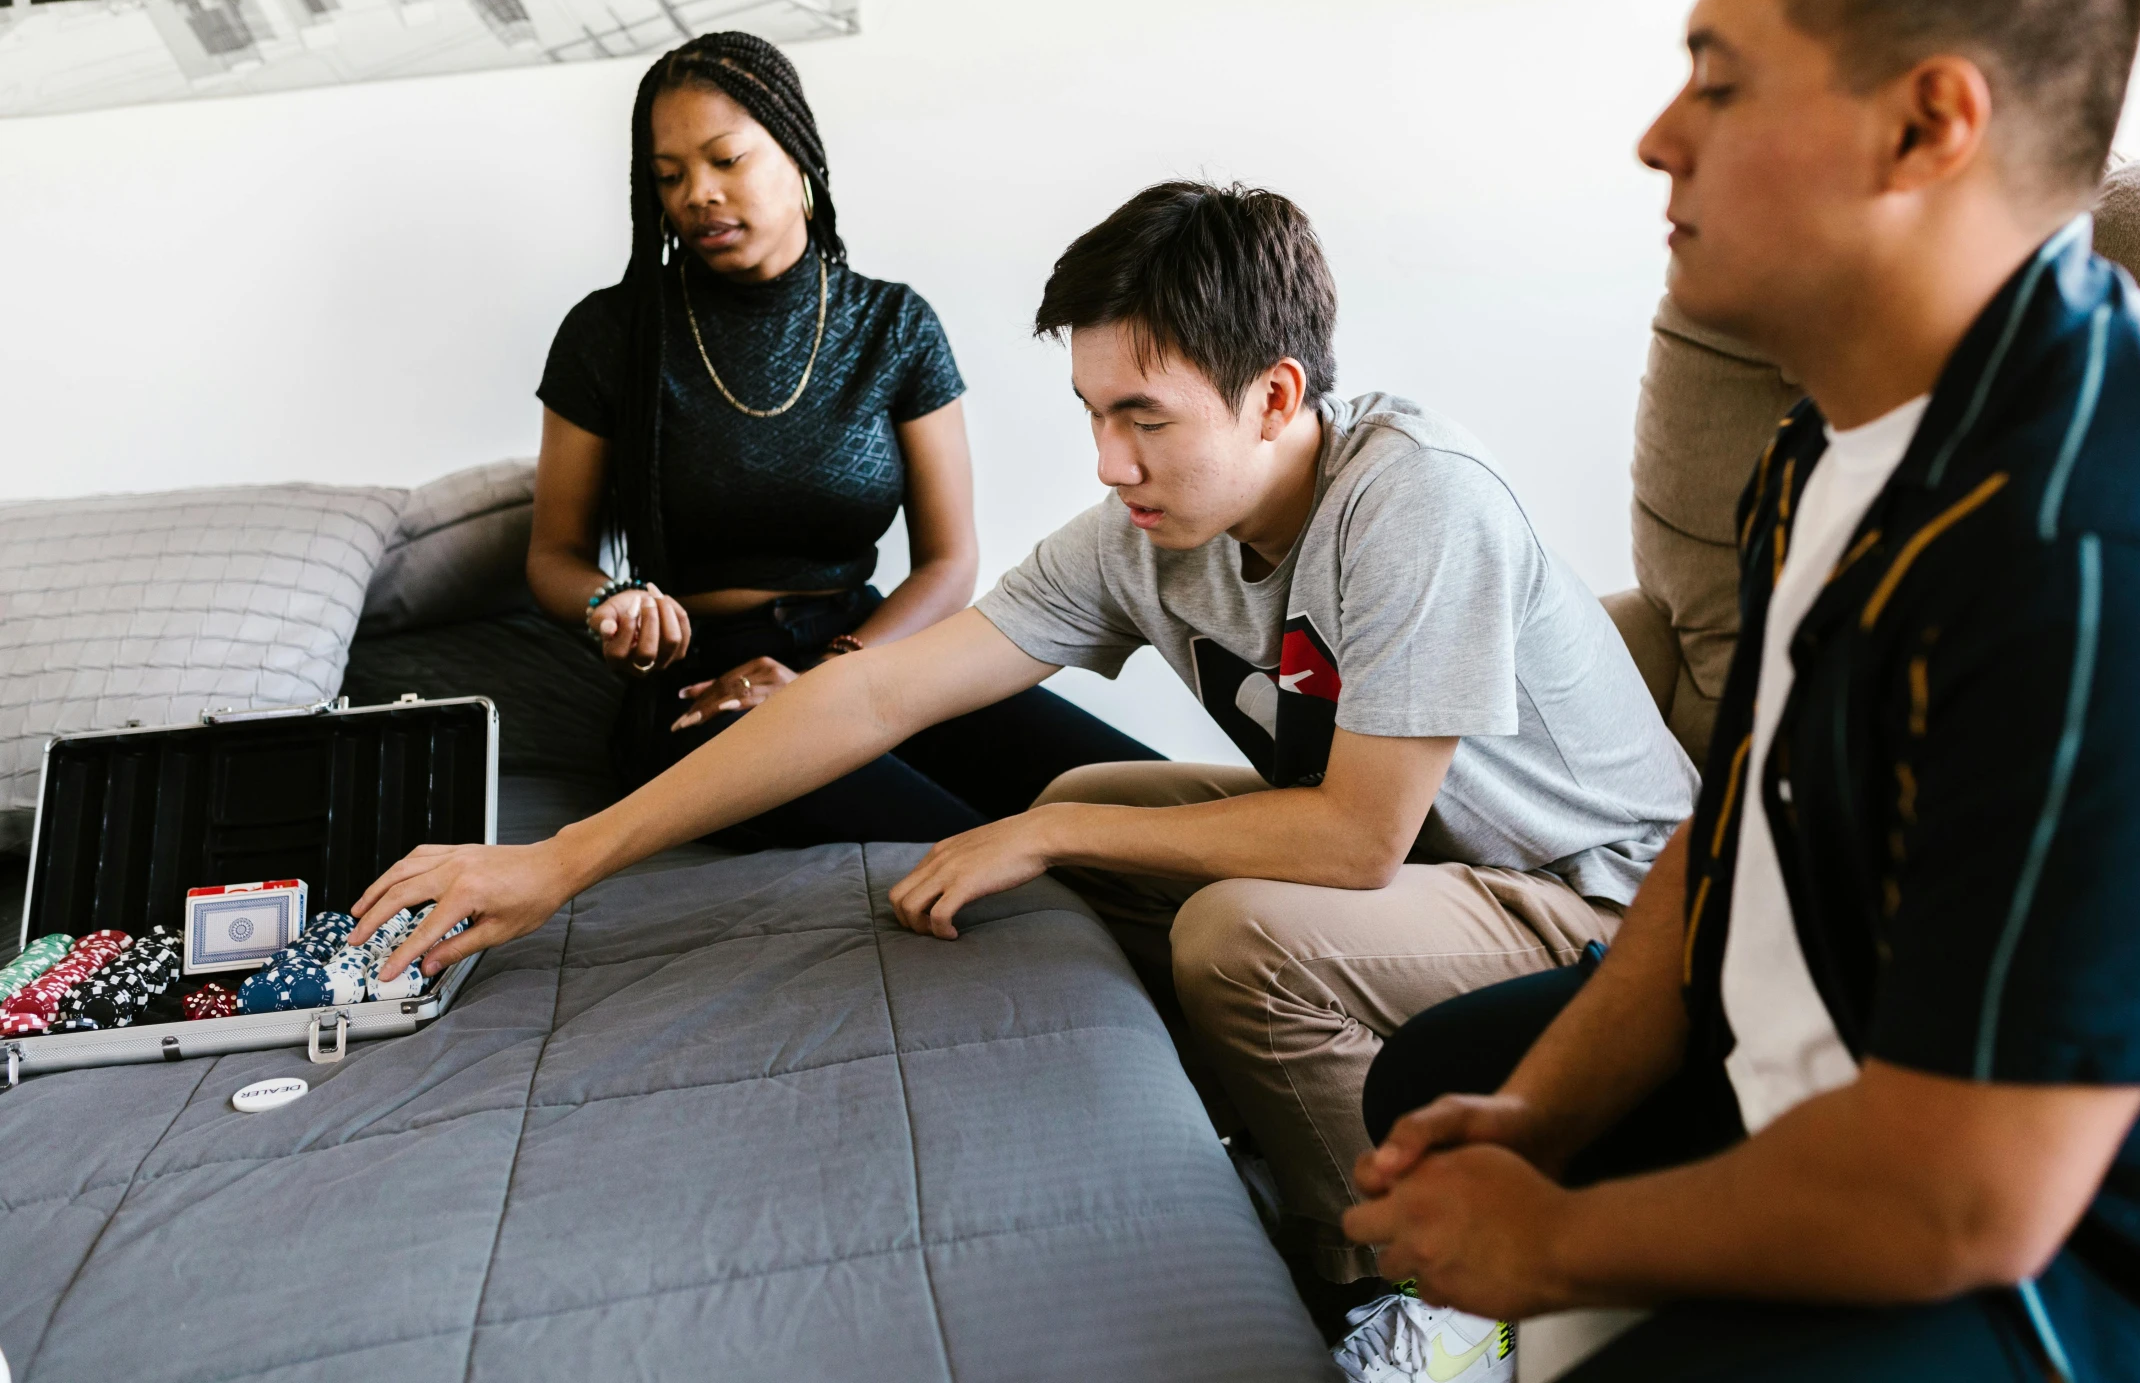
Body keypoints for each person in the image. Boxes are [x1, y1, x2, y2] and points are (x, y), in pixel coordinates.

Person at [1343, 0, 2140, 1381]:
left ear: (1925, 124)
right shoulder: (1843, 429)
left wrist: (1544, 1239)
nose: (1656, 136)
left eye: (1719, 80)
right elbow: (1734, 827)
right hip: (1894, 1051)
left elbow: (1967, 1197)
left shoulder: (2115, 550)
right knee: (1438, 1080)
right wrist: (1540, 1114)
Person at [358, 180, 1698, 1313]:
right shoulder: (1144, 536)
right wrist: (555, 861)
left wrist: (1046, 830)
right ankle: (1259, 1119)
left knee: (1218, 917)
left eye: (1144, 416)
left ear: (1275, 394)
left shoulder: (1412, 503)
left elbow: (1357, 841)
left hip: (1614, 908)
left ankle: (1407, 1297)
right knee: (1087, 786)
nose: (1109, 460)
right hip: (1435, 870)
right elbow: (869, 696)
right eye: (1092, 412)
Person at [526, 30, 1157, 844]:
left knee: (1113, 797)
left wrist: (829, 673)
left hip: (869, 648)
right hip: (701, 686)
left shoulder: (892, 325)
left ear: (797, 155)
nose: (698, 195)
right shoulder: (608, 334)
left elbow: (947, 562)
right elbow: (553, 556)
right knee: (969, 846)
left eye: (726, 160)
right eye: (669, 177)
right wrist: (613, 604)